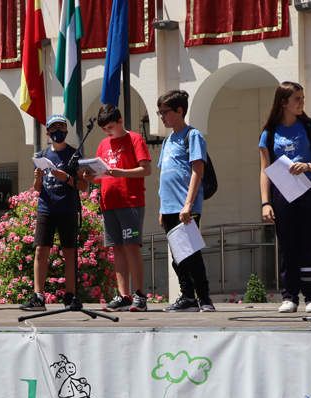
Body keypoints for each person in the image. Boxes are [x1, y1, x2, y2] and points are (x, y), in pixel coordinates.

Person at [259, 81, 311, 314]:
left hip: (309, 190)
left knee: (310, 242)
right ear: (283, 102)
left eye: (302, 98)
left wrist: (308, 165)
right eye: (297, 99)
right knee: (287, 243)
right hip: (282, 193)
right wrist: (266, 202)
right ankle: (289, 296)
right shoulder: (268, 134)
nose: (301, 103)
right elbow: (264, 170)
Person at [85, 104, 152, 312]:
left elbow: (146, 169)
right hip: (108, 202)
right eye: (104, 129)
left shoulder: (135, 139)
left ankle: (140, 295)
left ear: (120, 121)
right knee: (117, 248)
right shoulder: (103, 144)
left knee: (131, 246)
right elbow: (102, 175)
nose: (107, 132)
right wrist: (90, 177)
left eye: (111, 127)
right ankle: (123, 295)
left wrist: (120, 172)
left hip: (130, 201)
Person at [20, 114, 87, 311]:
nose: (58, 131)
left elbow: (83, 185)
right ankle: (38, 296)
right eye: (53, 128)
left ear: (66, 130)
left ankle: (70, 295)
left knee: (69, 252)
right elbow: (38, 189)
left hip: (67, 208)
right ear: (47, 132)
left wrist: (66, 177)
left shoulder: (75, 155)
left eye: (61, 127)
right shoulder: (41, 157)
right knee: (41, 250)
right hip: (46, 209)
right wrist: (37, 178)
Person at [156, 90, 215, 313]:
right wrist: (162, 207)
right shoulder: (168, 140)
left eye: (165, 112)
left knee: (190, 253)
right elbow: (164, 175)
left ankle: (204, 298)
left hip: (185, 207)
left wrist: (188, 204)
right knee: (177, 256)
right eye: (159, 112)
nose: (162, 117)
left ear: (179, 111)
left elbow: (197, 169)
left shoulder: (193, 136)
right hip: (169, 206)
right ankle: (187, 296)